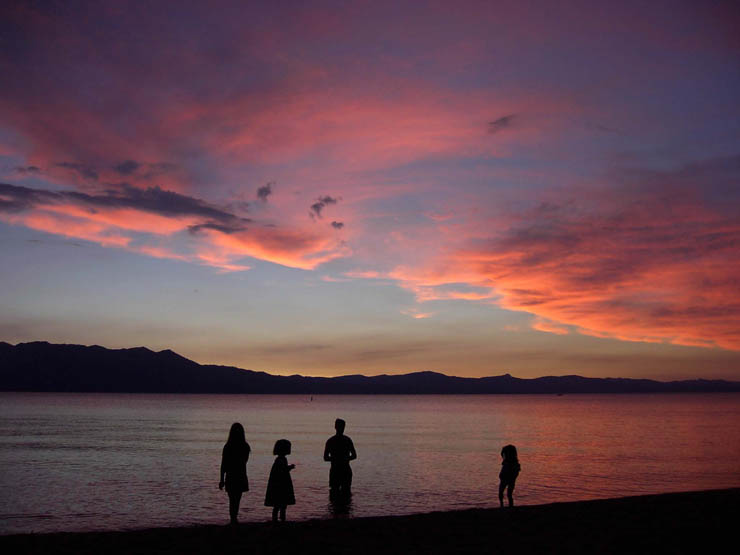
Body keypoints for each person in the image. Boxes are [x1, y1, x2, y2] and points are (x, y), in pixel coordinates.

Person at [219, 423, 251, 525]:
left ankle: (233, 518)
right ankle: (234, 518)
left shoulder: (228, 446)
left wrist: (221, 480)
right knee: (236, 499)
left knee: (232, 499)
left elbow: (223, 465)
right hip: (240, 475)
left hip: (231, 475)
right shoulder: (245, 446)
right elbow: (244, 462)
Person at [323, 418, 357, 501]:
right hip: (343, 469)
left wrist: (336, 459)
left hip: (337, 469)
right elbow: (354, 456)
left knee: (335, 493)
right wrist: (344, 458)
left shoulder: (331, 441)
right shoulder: (347, 440)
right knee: (345, 493)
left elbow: (326, 458)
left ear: (335, 427)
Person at [264, 439, 296, 522]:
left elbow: (281, 470)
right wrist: (290, 467)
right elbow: (283, 470)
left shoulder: (280, 459)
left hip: (278, 484)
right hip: (281, 484)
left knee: (278, 505)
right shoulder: (282, 459)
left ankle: (276, 519)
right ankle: (281, 519)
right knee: (281, 504)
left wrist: (288, 467)